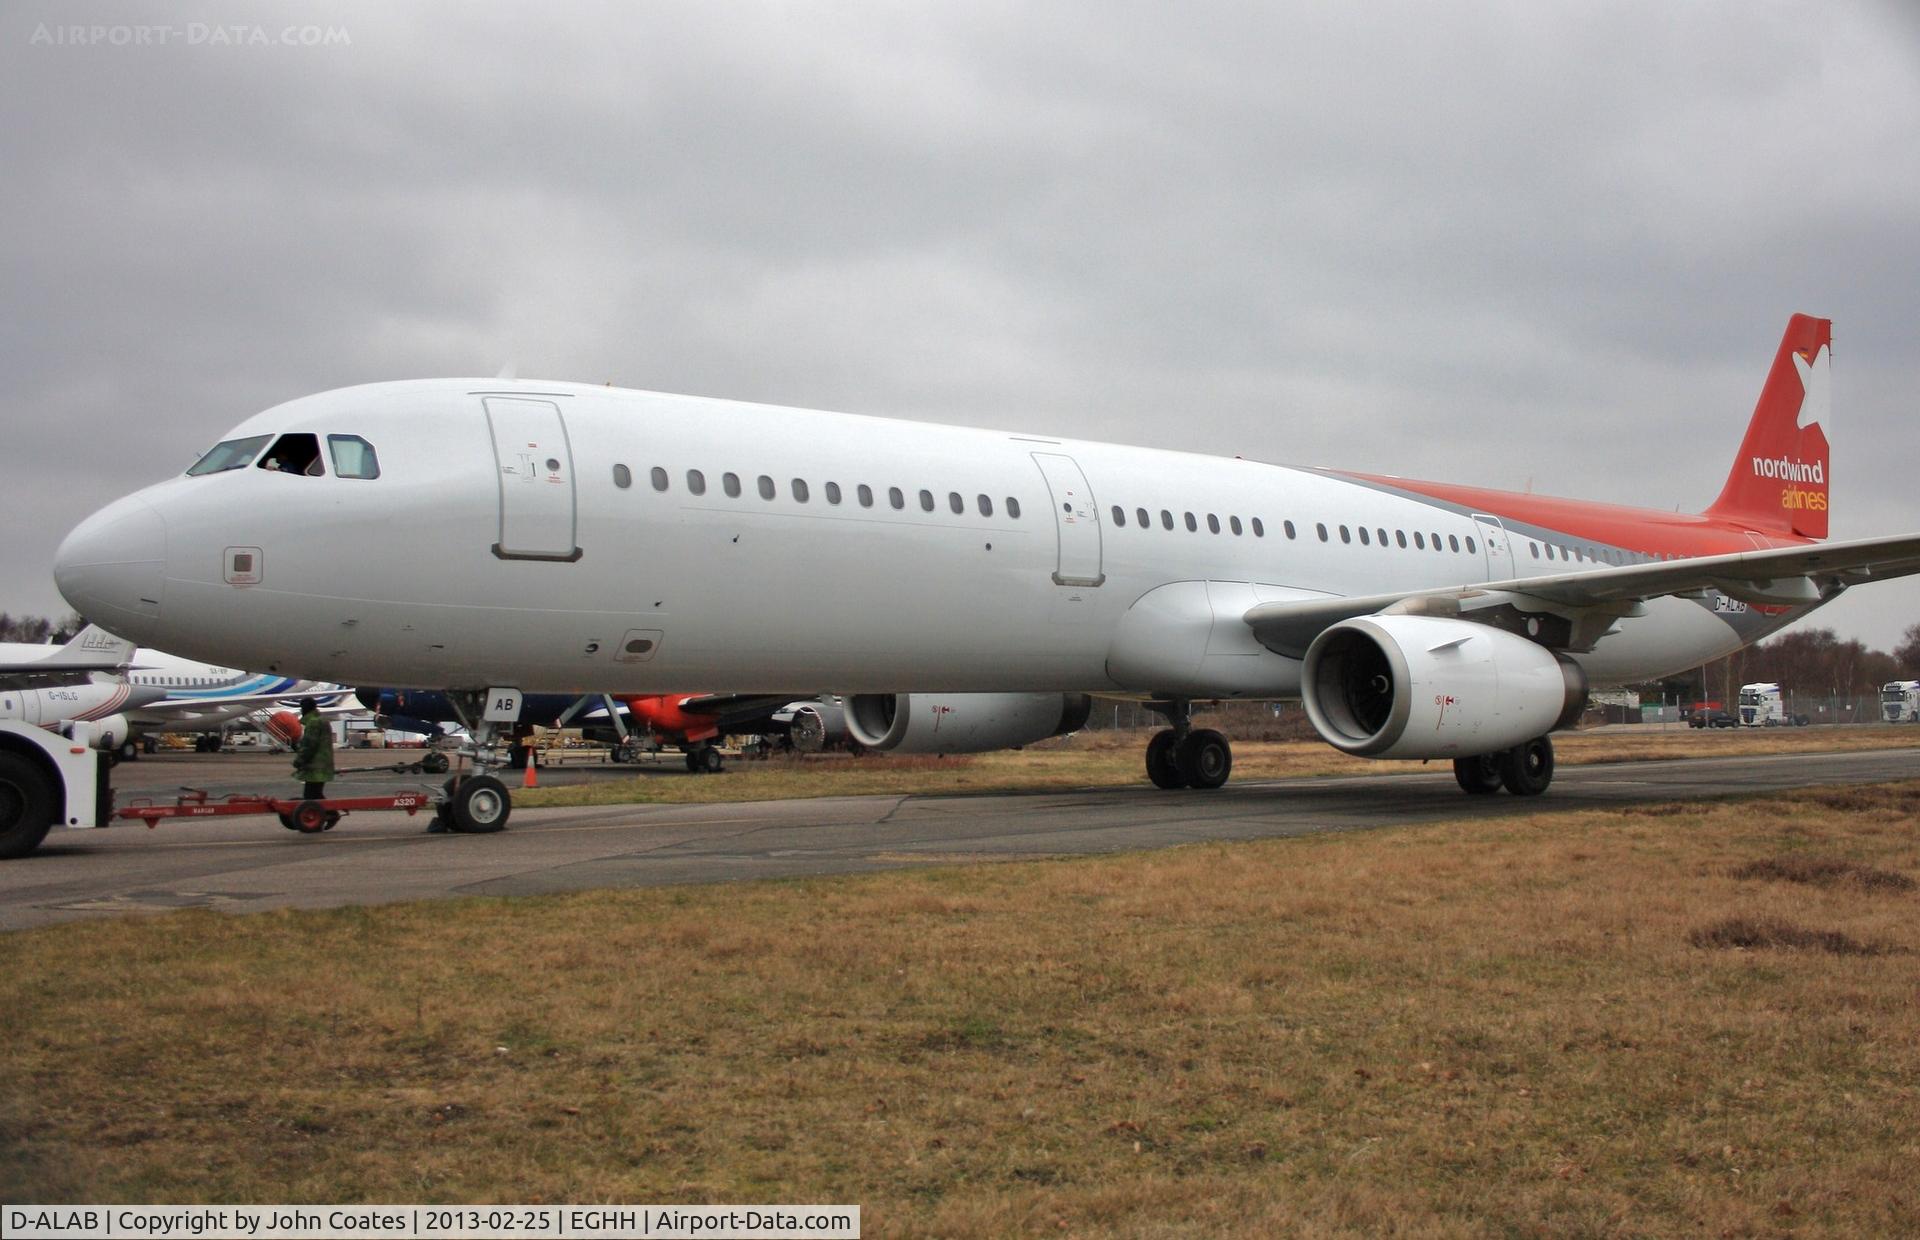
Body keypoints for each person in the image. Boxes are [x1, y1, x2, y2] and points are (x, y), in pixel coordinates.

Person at [293, 696, 335, 801]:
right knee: (316, 794)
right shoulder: (323, 721)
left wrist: (299, 761)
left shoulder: (313, 723)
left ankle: (331, 812)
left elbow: (309, 746)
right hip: (324, 764)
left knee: (311, 796)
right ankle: (330, 813)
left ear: (304, 709)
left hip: (314, 766)